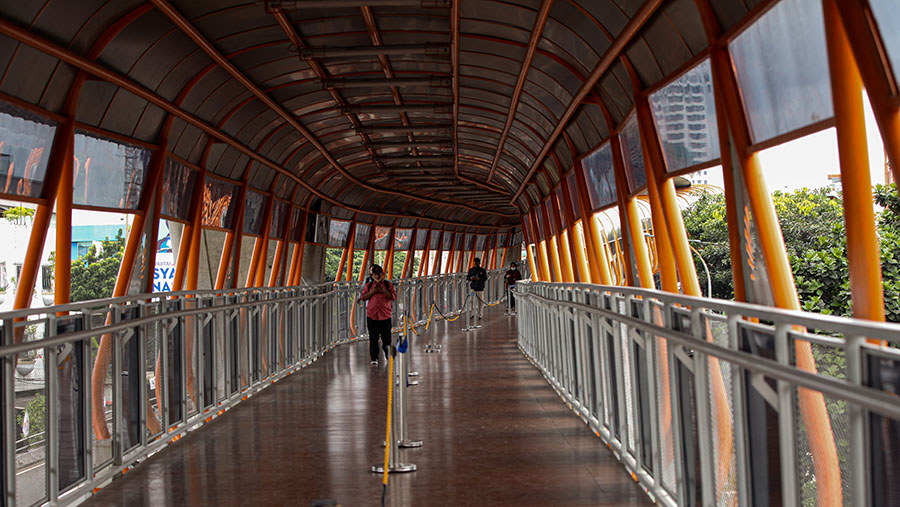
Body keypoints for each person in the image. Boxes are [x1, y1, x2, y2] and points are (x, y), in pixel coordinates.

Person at [359, 264, 396, 365]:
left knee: (387, 337)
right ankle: (374, 358)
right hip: (372, 315)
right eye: (375, 274)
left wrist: (384, 290)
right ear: (372, 276)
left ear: (382, 274)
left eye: (379, 274)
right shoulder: (369, 285)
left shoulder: (388, 285)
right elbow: (363, 297)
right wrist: (374, 291)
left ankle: (388, 355)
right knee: (373, 338)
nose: (377, 276)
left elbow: (392, 297)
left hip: (385, 315)